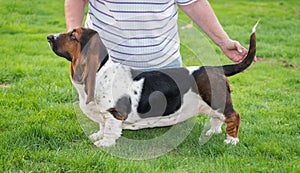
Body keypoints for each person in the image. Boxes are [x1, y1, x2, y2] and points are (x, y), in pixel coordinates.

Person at [65, 0, 252, 70]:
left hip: (163, 67)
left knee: (162, 122)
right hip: (107, 67)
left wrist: (223, 42)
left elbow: (194, 3)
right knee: (109, 118)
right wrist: (74, 41)